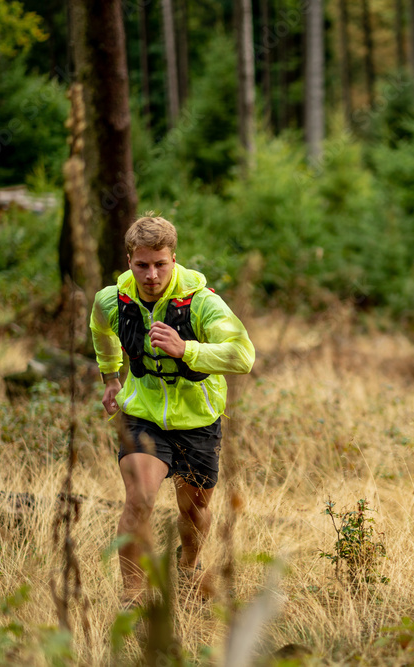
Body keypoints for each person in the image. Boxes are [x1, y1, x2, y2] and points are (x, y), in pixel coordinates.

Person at [90, 215, 255, 604]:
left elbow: (243, 356)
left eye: (160, 264)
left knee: (194, 512)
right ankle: (132, 597)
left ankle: (187, 569)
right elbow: (101, 329)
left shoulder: (202, 302)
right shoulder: (111, 300)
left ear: (174, 258)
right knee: (139, 499)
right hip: (142, 413)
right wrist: (111, 377)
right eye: (142, 264)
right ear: (129, 259)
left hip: (198, 418)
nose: (151, 274)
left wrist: (187, 349)